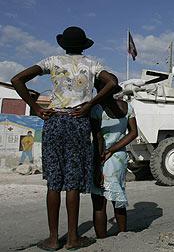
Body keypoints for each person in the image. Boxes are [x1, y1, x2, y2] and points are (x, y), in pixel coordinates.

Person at [11, 26, 116, 251]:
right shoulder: (92, 65)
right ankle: (73, 238)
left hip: (55, 121)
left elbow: (17, 79)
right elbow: (112, 82)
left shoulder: (51, 61)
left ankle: (52, 239)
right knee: (73, 181)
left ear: (64, 45)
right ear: (83, 45)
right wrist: (90, 104)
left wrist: (36, 109)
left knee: (54, 182)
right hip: (78, 121)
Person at [91, 73, 138, 239]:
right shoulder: (127, 107)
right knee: (118, 198)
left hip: (101, 157)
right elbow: (133, 133)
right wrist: (114, 149)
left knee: (99, 203)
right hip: (119, 159)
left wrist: (98, 163)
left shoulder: (96, 109)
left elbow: (97, 138)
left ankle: (102, 240)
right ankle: (123, 236)